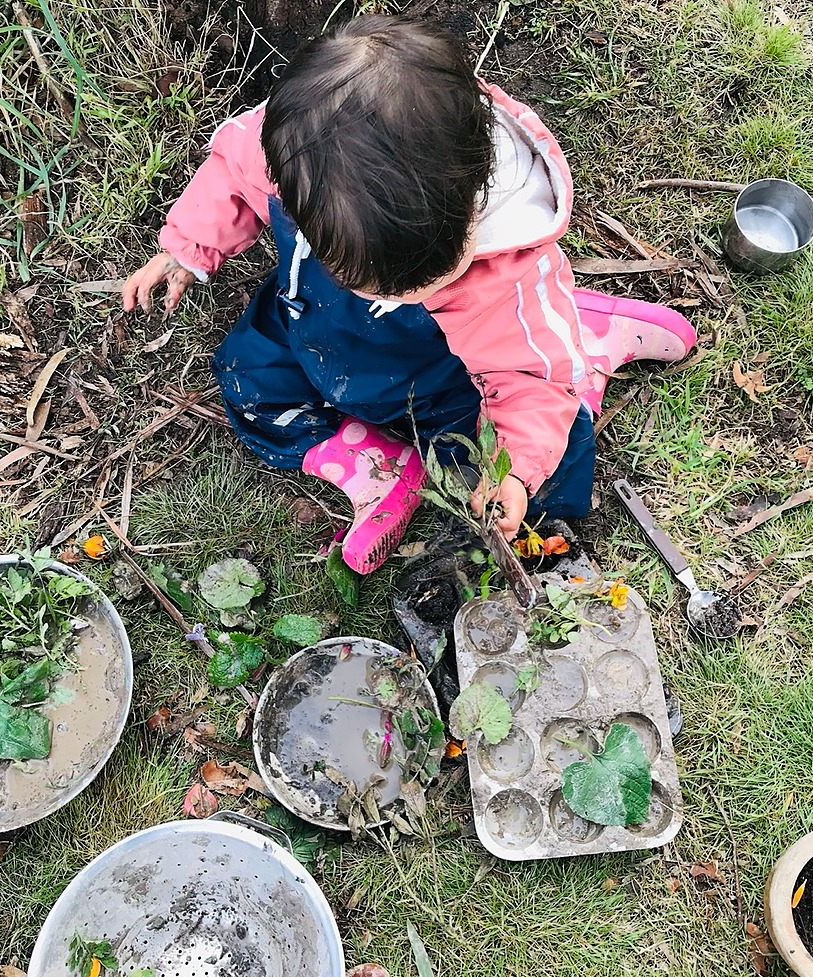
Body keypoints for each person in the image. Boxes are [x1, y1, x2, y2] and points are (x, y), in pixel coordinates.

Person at [122, 15, 696, 574]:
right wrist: (188, 247)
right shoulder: (295, 150)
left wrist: (516, 471)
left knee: (529, 443)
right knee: (248, 379)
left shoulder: (508, 273)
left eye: (419, 281)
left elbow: (530, 382)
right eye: (357, 271)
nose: (387, 293)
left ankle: (581, 345)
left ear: (475, 200)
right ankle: (380, 466)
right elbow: (229, 174)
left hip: (445, 371)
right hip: (315, 320)